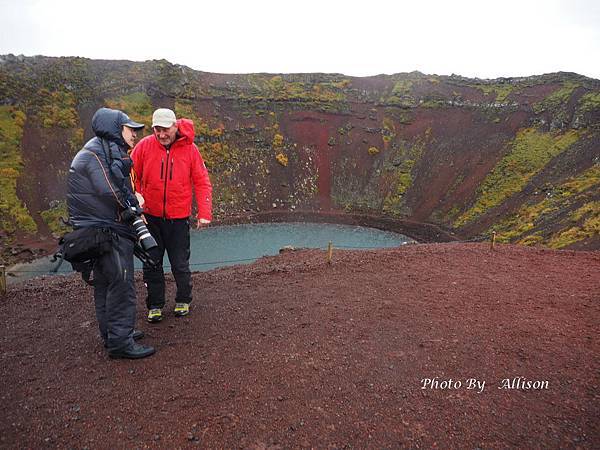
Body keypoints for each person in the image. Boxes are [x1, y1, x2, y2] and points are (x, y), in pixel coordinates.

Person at [67, 107, 155, 359]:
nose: (135, 134)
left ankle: (114, 333)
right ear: (115, 129)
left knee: (106, 283)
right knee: (120, 283)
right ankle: (120, 343)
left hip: (99, 228)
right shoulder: (95, 155)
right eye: (130, 129)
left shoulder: (102, 151)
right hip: (108, 230)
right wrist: (134, 209)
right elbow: (110, 191)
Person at [131, 108, 212, 323]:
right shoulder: (144, 146)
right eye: (157, 129)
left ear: (175, 127)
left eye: (165, 129)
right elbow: (131, 175)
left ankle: (183, 299)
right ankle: (155, 305)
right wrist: (137, 199)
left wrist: (204, 213)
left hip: (178, 219)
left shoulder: (190, 149)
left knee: (179, 263)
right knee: (152, 262)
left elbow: (202, 181)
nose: (161, 134)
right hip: (150, 217)